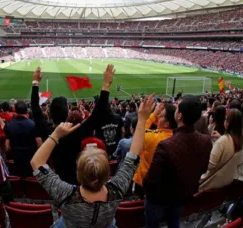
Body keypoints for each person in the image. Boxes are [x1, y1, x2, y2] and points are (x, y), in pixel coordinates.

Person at [31, 94, 155, 228]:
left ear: (78, 173)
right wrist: (142, 119)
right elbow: (134, 155)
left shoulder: (65, 193)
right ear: (107, 173)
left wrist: (56, 134)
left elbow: (36, 162)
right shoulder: (117, 189)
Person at [30, 65, 113, 184]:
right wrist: (106, 84)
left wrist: (35, 82)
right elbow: (97, 113)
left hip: (59, 180)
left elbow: (35, 108)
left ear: (49, 113)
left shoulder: (48, 132)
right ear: (68, 112)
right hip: (79, 180)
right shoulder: (79, 131)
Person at [143, 95, 213, 228]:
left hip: (159, 200)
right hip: (182, 196)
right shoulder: (206, 140)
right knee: (174, 222)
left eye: (177, 109)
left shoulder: (166, 145)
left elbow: (149, 181)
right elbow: (203, 168)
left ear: (179, 116)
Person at [199, 109, 243, 191]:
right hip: (226, 180)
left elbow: (210, 165)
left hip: (211, 182)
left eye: (226, 119)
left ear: (228, 123)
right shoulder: (241, 139)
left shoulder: (223, 141)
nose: (224, 121)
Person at [133, 102, 177, 188]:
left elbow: (138, 134)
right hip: (165, 183)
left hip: (145, 181)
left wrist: (153, 115)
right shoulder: (177, 136)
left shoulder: (154, 137)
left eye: (161, 116)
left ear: (166, 124)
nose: (158, 116)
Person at [4, 100, 41, 178]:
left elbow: (7, 147)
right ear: (26, 110)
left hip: (16, 160)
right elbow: (39, 145)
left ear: (15, 110)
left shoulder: (8, 125)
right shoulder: (33, 124)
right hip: (31, 160)